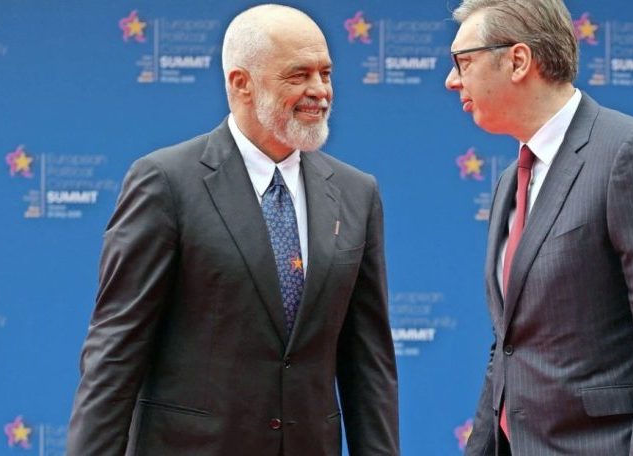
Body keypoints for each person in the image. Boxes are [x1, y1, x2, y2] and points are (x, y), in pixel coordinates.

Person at [66, 4, 399, 455]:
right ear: (241, 83)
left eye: (325, 73)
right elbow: (116, 351)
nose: (320, 91)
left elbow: (368, 362)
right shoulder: (167, 182)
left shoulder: (356, 192)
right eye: (298, 75)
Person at [445, 1, 633, 455]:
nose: (452, 80)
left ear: (518, 61)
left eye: (463, 61)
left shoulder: (629, 153)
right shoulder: (509, 182)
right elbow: (508, 345)